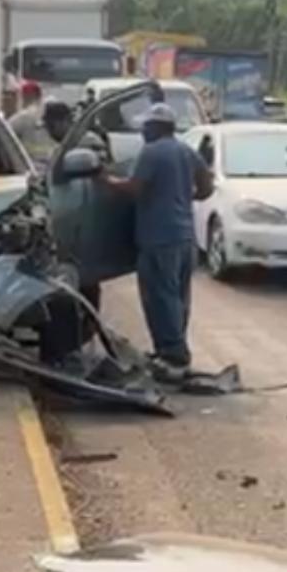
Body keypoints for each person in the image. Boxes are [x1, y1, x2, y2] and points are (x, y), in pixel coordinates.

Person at [99, 102, 213, 377]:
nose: (142, 132)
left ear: (155, 127)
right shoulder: (186, 151)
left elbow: (135, 189)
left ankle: (173, 356)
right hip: (186, 238)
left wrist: (105, 181)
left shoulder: (152, 152)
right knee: (178, 297)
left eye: (145, 127)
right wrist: (183, 197)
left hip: (159, 238)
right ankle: (172, 350)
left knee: (160, 297)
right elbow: (206, 187)